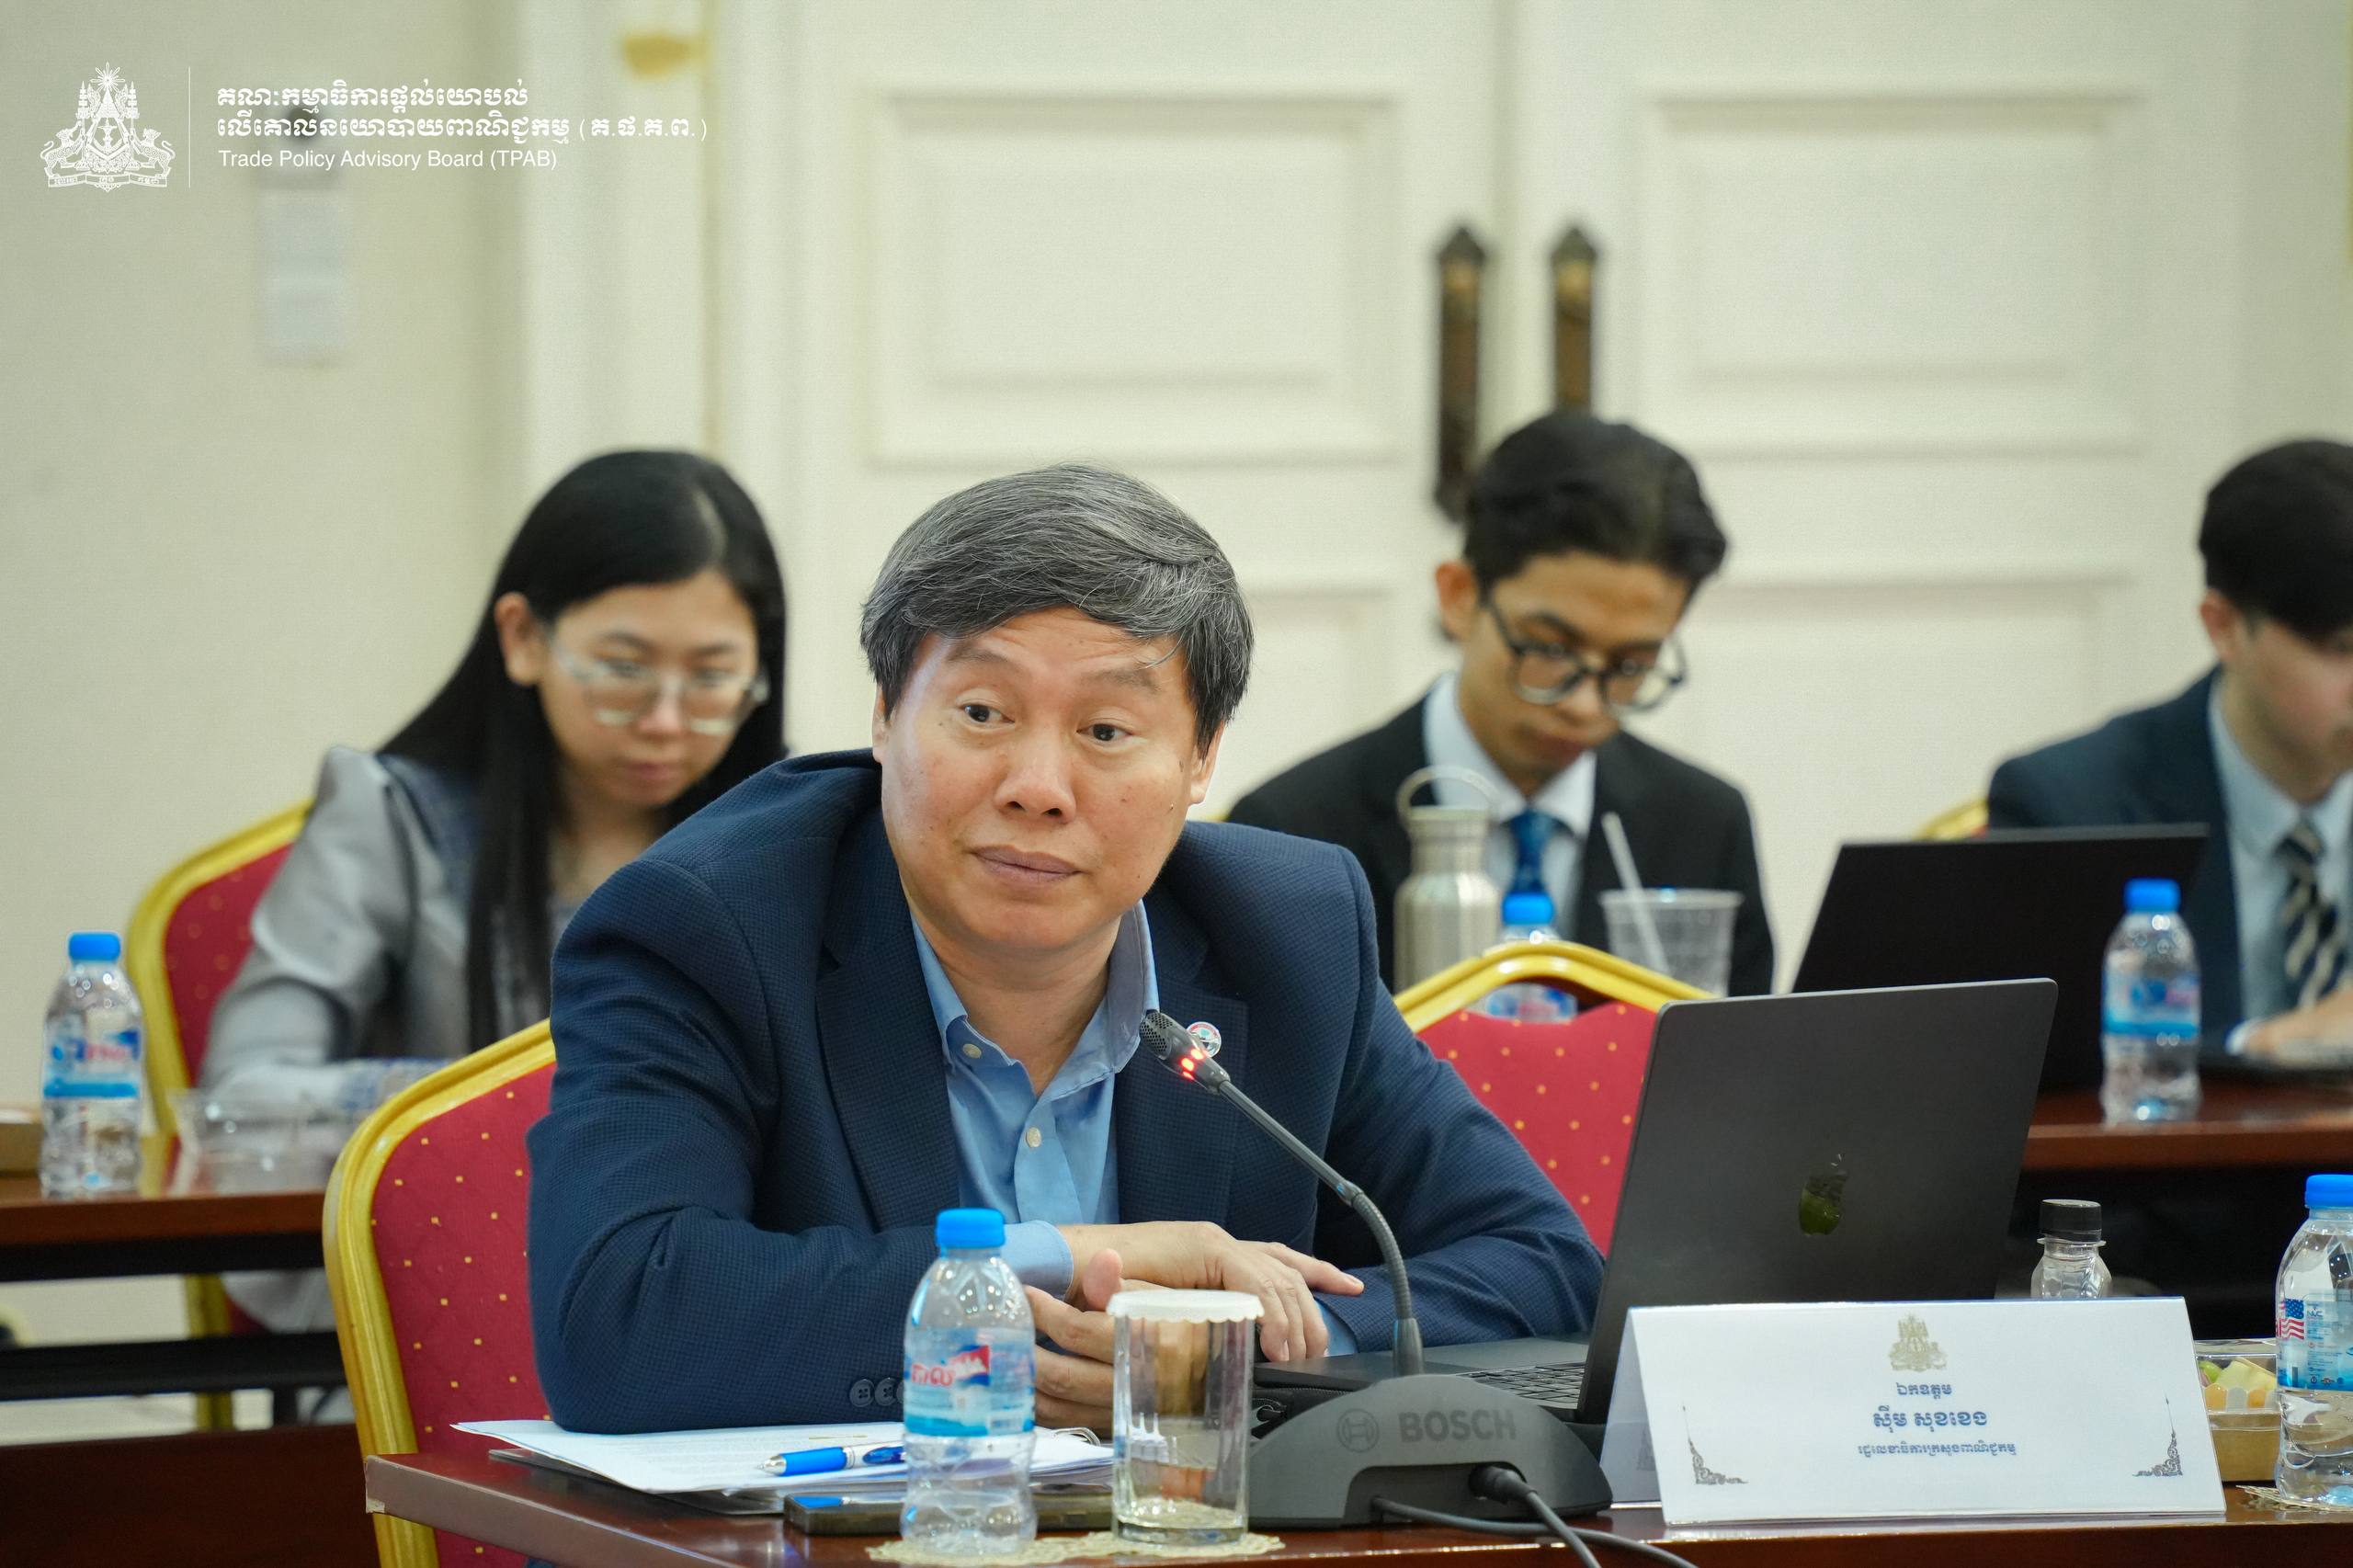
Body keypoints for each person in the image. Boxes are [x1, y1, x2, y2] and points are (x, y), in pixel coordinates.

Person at [528, 464, 1602, 1435]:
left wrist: (1241, 1346)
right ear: (886, 715)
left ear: (1201, 759)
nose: (1037, 786)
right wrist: (1066, 1262)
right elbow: (616, 1316)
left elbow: (1549, 1266)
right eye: (982, 711)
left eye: (1105, 731)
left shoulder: (1289, 932)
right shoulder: (705, 925)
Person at [204, 449, 787, 1331]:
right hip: (440, 1321)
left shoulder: (785, 841)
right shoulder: (394, 819)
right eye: (623, 668)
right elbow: (242, 1100)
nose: (668, 720)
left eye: (712, 680)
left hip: (706, 1322)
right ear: (522, 638)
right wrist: (505, 1109)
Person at [1226, 410, 1772, 993]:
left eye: (1630, 666)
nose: (1585, 707)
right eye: (1551, 649)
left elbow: (1745, 1049)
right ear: (1460, 596)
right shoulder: (1291, 837)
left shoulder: (1704, 827)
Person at [1990, 439, 2353, 1060]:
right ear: (2224, 627)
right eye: (2342, 650)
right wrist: (2267, 1047)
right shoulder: (2072, 806)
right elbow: (2040, 1064)